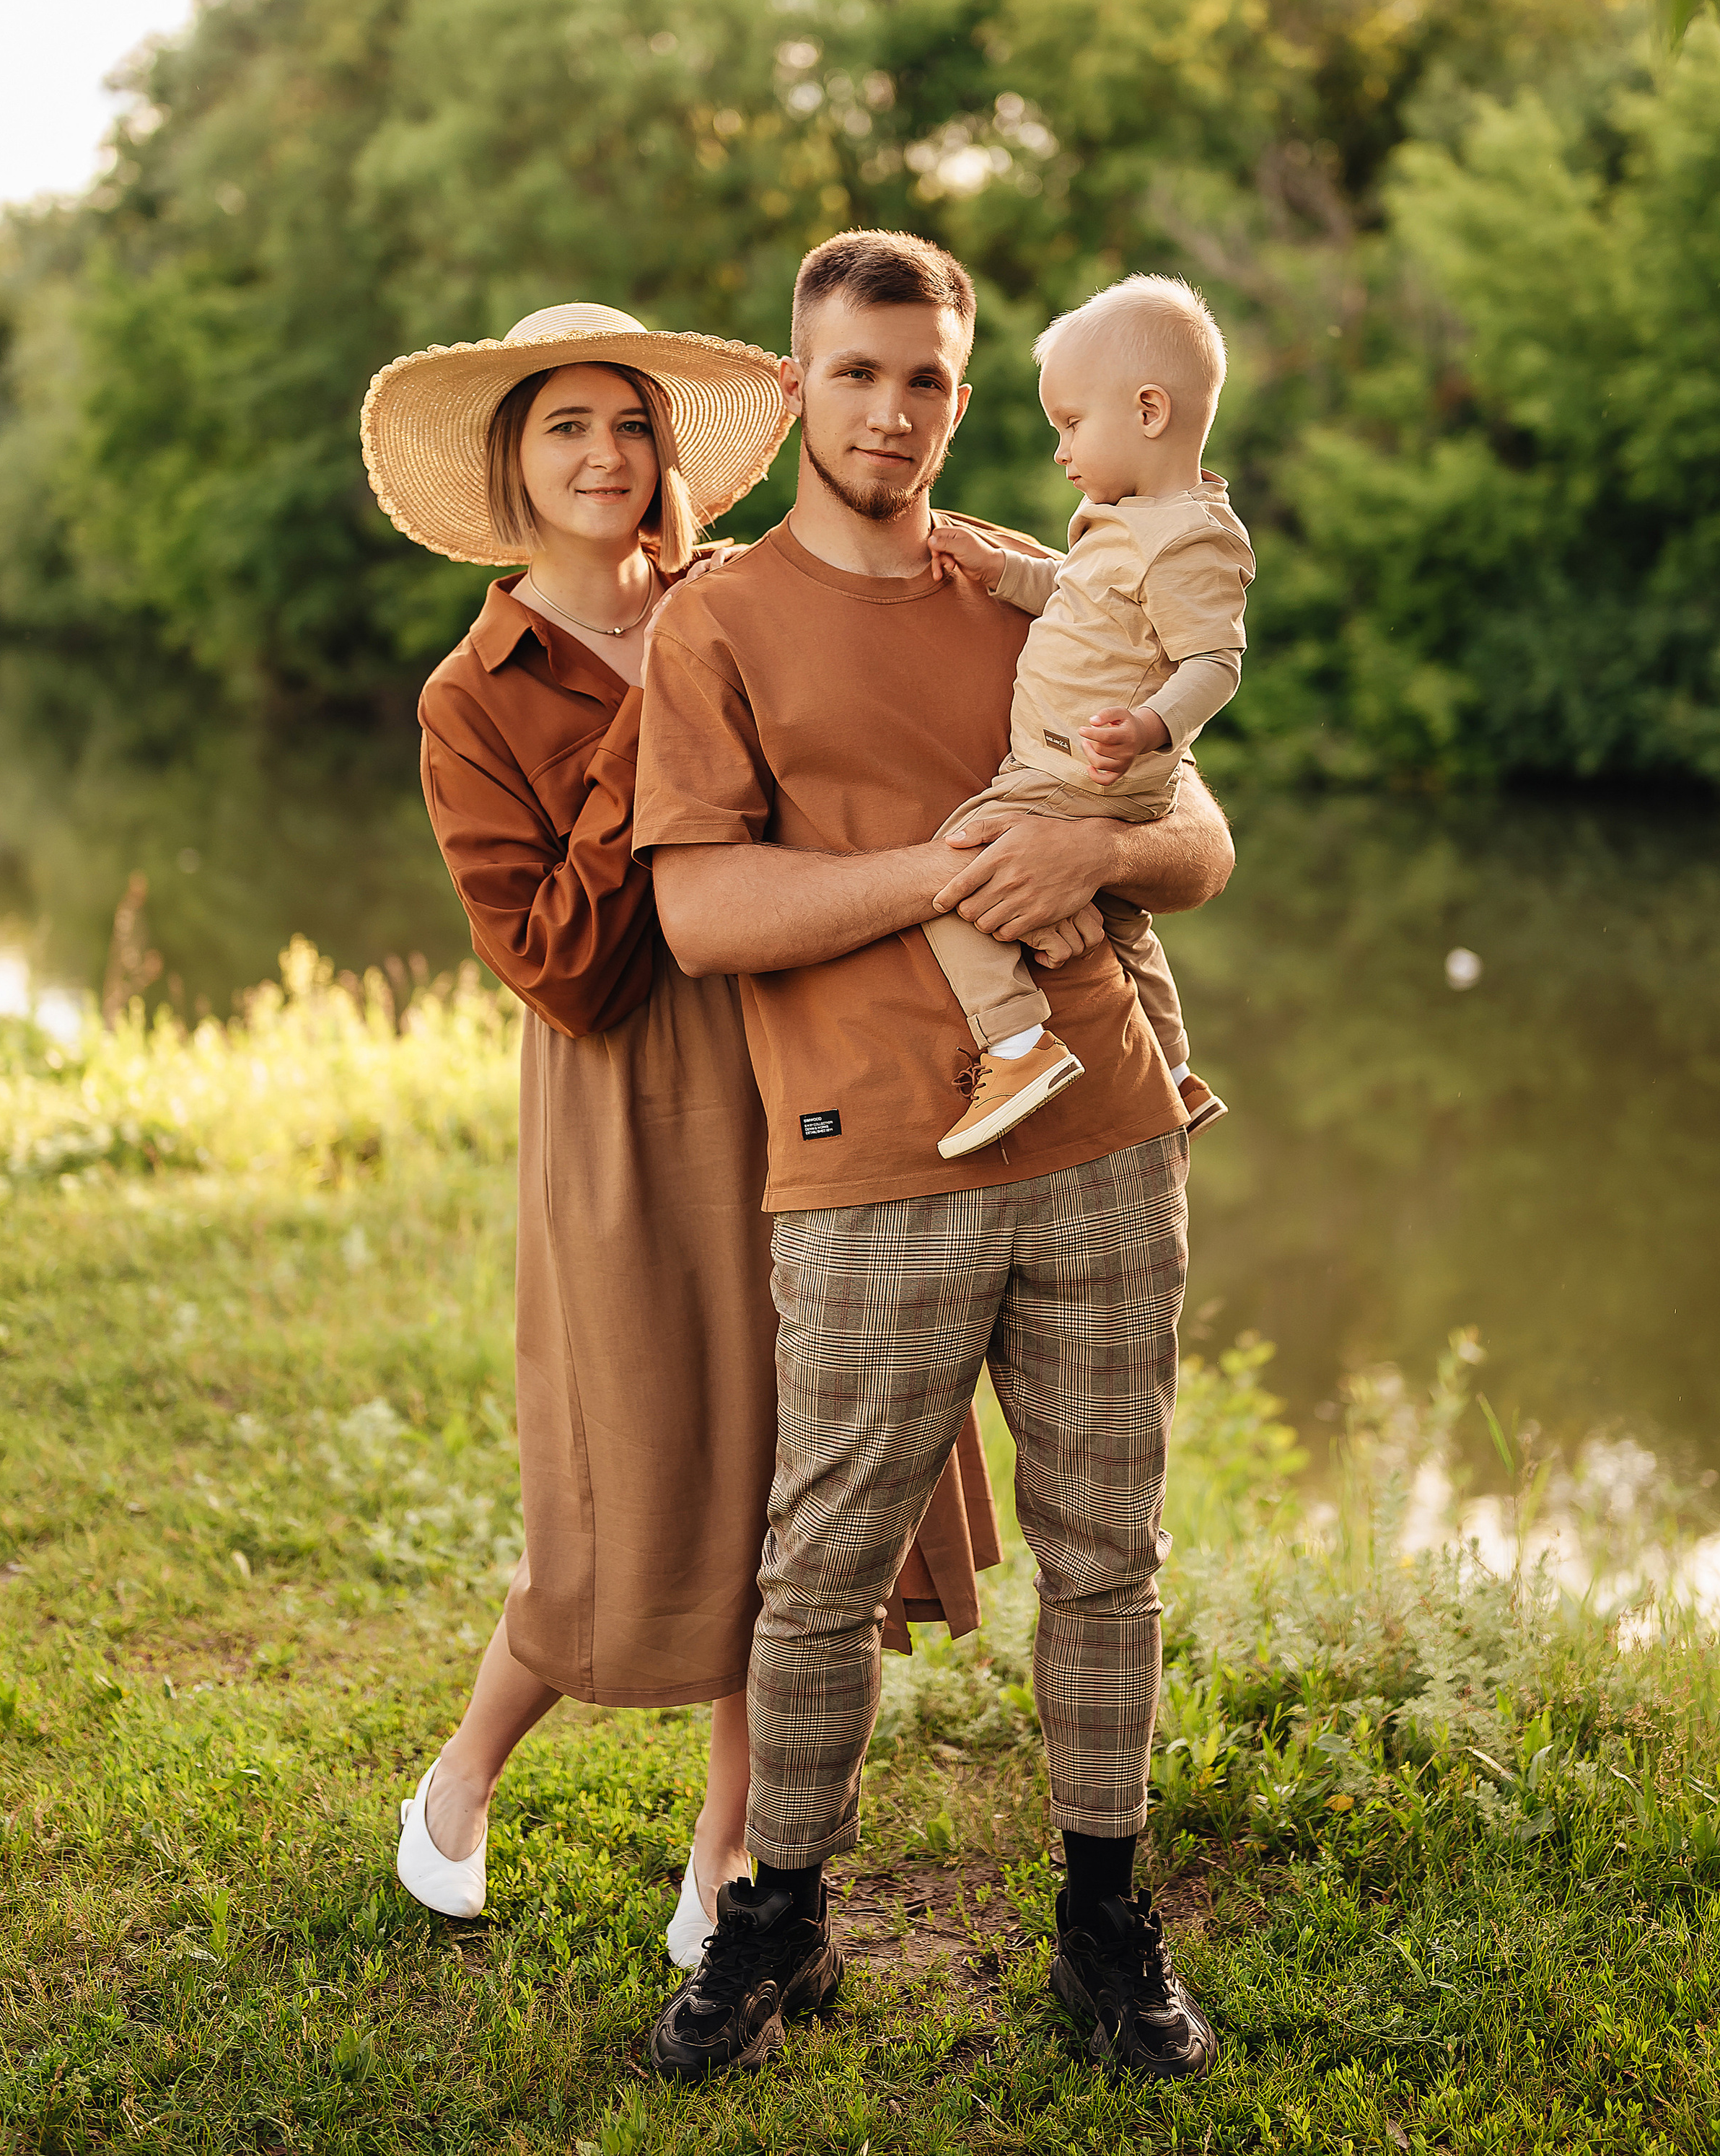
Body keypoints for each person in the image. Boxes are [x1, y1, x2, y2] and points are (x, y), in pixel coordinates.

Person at [633, 232, 1236, 2084]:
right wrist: (951, 871)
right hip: (870, 1158)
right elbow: (701, 913)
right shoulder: (717, 622)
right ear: (794, 388)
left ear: (961, 398)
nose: (890, 413)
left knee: (1105, 1553)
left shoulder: (1038, 579)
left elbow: (1198, 841)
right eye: (855, 373)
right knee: (817, 1568)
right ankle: (779, 1915)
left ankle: (1102, 1921)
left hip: (1103, 1135)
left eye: (925, 381)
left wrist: (1091, 852)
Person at [358, 299, 1000, 1968]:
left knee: (804, 1477)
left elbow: (904, 619)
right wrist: (657, 706)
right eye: (565, 426)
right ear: (513, 460)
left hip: (813, 1052)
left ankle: (726, 1856)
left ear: (665, 452)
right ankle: (458, 1777)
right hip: (631, 1100)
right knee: (635, 1488)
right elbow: (562, 965)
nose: (603, 455)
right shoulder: (470, 696)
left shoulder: (741, 597)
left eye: (630, 423)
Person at [921, 273, 1254, 1157]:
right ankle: (1174, 1069)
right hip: (1080, 768)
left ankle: (1014, 1045)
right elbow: (1072, 595)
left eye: (1071, 424)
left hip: (1075, 771)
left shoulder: (1190, 537)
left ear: (1149, 411)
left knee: (957, 870)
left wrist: (1151, 727)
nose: (1060, 451)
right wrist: (1000, 570)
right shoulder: (1127, 518)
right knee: (1121, 924)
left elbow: (1214, 662)